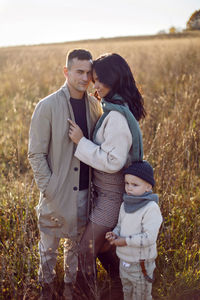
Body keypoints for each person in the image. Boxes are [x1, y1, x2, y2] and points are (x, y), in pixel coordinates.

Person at [68, 53, 146, 299]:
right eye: (95, 79)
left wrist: (81, 142)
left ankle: (88, 293)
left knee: (86, 249)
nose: (96, 85)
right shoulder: (113, 108)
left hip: (112, 196)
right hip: (105, 193)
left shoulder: (116, 117)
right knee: (102, 246)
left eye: (102, 81)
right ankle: (121, 284)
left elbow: (114, 161)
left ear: (116, 80)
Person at [28, 49, 102, 300]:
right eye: (79, 72)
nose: (84, 78)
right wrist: (49, 188)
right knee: (48, 248)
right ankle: (46, 287)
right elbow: (35, 154)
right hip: (55, 194)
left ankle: (70, 287)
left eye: (88, 73)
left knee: (75, 247)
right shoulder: (47, 106)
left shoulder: (94, 106)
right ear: (66, 71)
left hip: (84, 192)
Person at [105, 160, 163, 300]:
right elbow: (120, 225)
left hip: (141, 265)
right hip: (124, 262)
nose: (129, 188)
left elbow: (149, 237)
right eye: (127, 183)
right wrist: (115, 234)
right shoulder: (125, 204)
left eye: (135, 185)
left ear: (148, 187)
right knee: (127, 293)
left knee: (141, 296)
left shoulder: (150, 208)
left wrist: (125, 241)